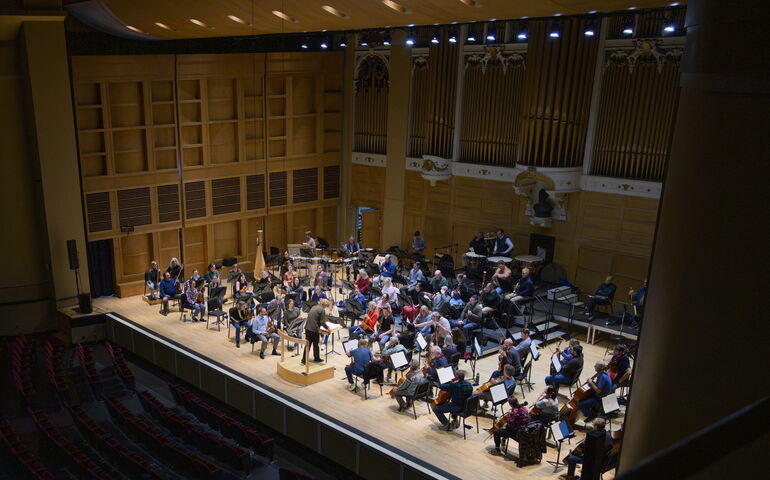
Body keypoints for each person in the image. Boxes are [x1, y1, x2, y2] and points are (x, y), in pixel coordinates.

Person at [303, 299, 327, 365]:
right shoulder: (322, 310)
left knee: (308, 344)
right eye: (326, 305)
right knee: (316, 344)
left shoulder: (314, 307)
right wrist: (327, 328)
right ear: (324, 305)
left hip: (307, 328)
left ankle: (304, 360)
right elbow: (322, 322)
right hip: (314, 329)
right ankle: (316, 358)